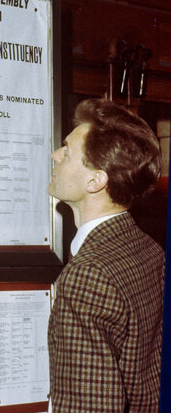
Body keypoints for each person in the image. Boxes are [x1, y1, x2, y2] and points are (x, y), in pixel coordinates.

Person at [47, 98, 165, 413]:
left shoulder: (88, 274)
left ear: (95, 180)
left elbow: (89, 406)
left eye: (67, 151)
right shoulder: (147, 248)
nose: (55, 156)